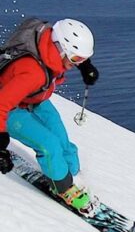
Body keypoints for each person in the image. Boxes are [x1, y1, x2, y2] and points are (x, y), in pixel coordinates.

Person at [0, 18, 99, 216]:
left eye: (80, 59)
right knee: (50, 145)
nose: (76, 64)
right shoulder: (32, 72)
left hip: (35, 98)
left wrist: (84, 66)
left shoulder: (51, 46)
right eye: (76, 59)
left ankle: (71, 173)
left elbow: (66, 52)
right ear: (61, 48)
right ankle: (64, 188)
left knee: (62, 140)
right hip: (10, 108)